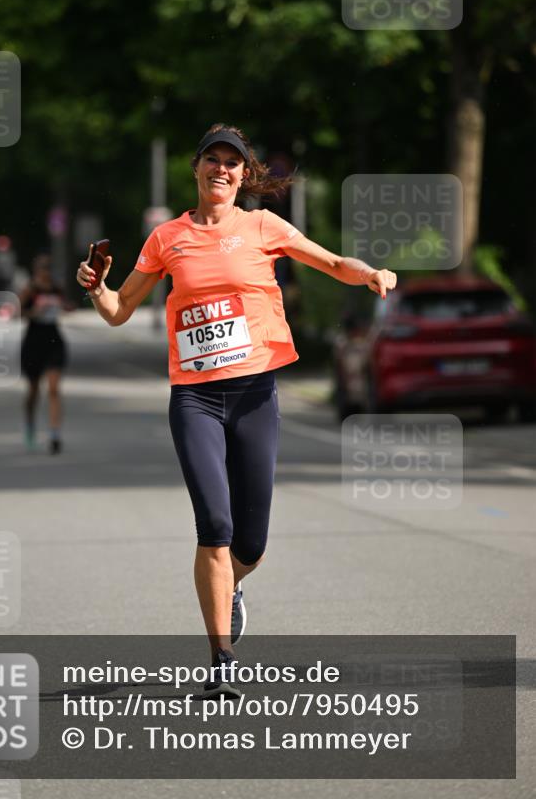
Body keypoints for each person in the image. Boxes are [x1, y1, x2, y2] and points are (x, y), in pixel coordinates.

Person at [76, 123, 397, 696]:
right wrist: (95, 287)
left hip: (254, 397)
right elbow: (120, 309)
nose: (220, 170)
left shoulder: (263, 226)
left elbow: (331, 263)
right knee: (215, 527)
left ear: (244, 175)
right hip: (195, 399)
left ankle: (232, 589)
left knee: (251, 543)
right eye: (211, 160)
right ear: (196, 169)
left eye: (232, 163)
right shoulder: (166, 238)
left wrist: (369, 273)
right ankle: (221, 660)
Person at [20, 254, 71, 453]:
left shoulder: (57, 288)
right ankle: (30, 425)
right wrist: (35, 312)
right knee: (33, 390)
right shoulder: (30, 289)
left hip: (53, 340)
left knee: (53, 388)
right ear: (36, 270)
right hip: (33, 341)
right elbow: (18, 312)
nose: (45, 273)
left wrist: (65, 307)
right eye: (42, 268)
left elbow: (66, 304)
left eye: (48, 268)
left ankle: (55, 434)